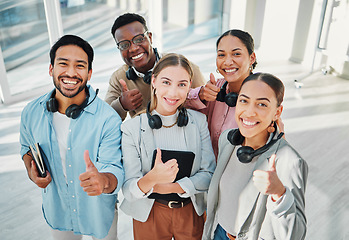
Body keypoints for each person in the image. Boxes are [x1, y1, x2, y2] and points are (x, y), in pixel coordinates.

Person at [19, 35, 124, 240]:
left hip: (98, 211)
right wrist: (32, 172)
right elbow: (26, 148)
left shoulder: (108, 119)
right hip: (58, 209)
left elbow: (114, 167)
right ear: (51, 69)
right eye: (63, 64)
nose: (71, 72)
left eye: (80, 66)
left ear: (89, 73)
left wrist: (103, 181)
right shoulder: (31, 112)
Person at [120, 53, 216, 240]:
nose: (173, 93)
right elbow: (128, 190)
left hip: (189, 211)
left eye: (182, 84)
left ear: (190, 85)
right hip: (149, 213)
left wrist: (171, 187)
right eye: (166, 82)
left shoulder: (198, 121)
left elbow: (209, 175)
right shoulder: (132, 128)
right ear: (154, 81)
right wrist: (152, 179)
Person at [202, 73, 308, 240]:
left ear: (277, 112)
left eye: (262, 104)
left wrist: (279, 193)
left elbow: (296, 234)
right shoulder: (228, 139)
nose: (249, 112)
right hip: (220, 233)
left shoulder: (289, 161)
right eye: (244, 100)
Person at [105, 12, 205, 120]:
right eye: (124, 45)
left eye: (139, 39)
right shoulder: (119, 78)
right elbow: (103, 119)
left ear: (150, 38)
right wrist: (121, 105)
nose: (133, 48)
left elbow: (206, 110)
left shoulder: (186, 69)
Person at [186, 29, 257, 158]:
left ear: (251, 58)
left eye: (236, 54)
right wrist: (200, 94)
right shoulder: (216, 87)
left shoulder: (262, 95)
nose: (228, 62)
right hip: (207, 165)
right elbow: (178, 102)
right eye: (221, 55)